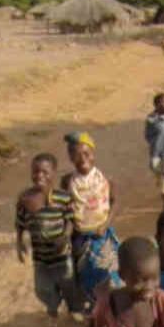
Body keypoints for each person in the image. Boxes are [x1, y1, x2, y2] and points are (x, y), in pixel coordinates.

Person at [14, 153, 83, 327]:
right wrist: (19, 243)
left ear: (54, 173)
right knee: (43, 288)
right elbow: (20, 223)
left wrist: (65, 237)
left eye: (45, 172)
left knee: (68, 284)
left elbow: (70, 220)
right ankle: (52, 311)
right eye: (35, 172)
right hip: (40, 256)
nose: (40, 176)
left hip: (61, 254)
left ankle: (74, 309)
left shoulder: (63, 197)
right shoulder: (25, 199)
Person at [61, 131, 120, 311]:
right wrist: (66, 233)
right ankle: (93, 305)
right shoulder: (67, 182)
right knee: (83, 273)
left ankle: (112, 305)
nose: (82, 158)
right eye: (77, 155)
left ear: (93, 154)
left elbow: (115, 202)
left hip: (102, 235)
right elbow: (66, 209)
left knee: (108, 271)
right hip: (81, 238)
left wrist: (106, 224)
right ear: (71, 158)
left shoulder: (105, 179)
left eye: (86, 154)